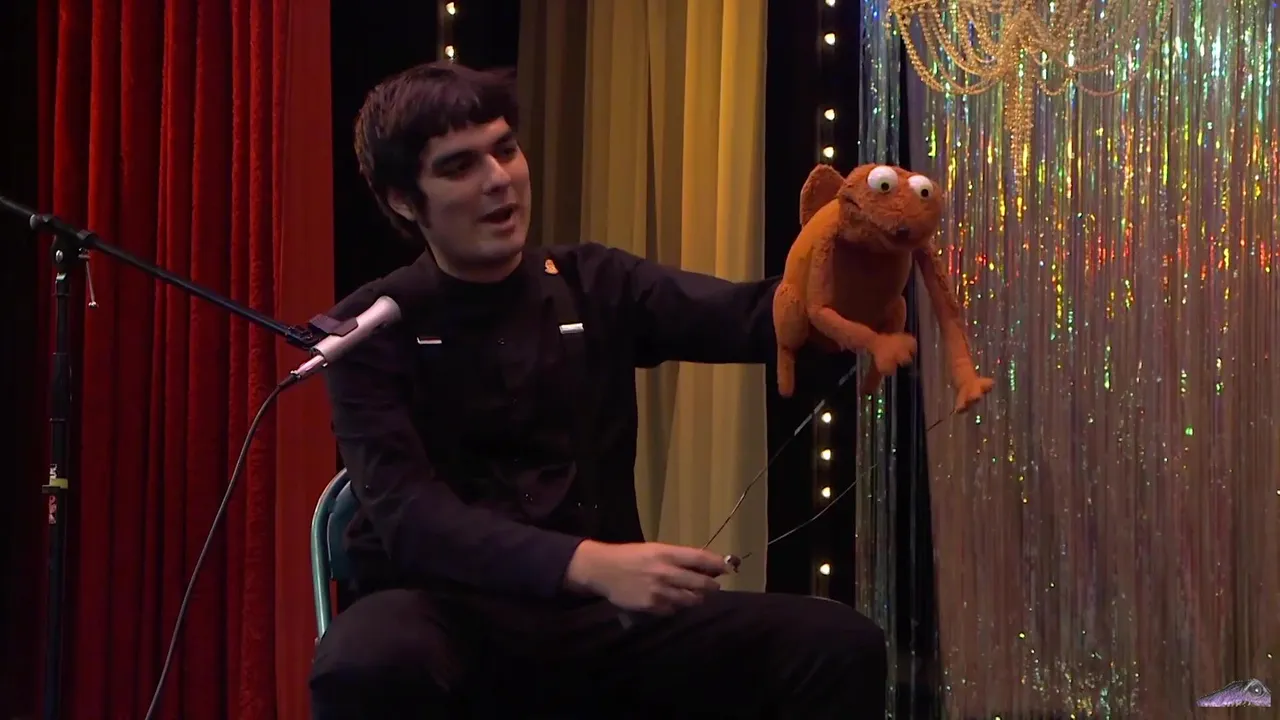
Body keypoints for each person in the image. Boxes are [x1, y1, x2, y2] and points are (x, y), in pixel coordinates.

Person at [309, 61, 888, 719]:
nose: (498, 179)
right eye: (459, 166)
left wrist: (854, 278)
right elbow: (413, 520)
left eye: (506, 149)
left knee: (837, 644)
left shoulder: (594, 282)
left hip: (599, 626)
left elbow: (750, 316)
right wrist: (588, 563)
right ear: (402, 200)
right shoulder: (370, 331)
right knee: (365, 661)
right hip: (445, 619)